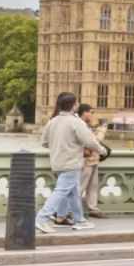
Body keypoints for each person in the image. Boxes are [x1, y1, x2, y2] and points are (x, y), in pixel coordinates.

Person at [35, 92, 104, 232]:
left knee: (73, 192)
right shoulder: (75, 122)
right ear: (73, 105)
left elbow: (44, 142)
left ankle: (79, 220)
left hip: (57, 162)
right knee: (60, 192)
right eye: (76, 103)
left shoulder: (52, 121)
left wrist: (60, 146)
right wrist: (102, 150)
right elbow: (89, 141)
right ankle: (42, 219)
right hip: (71, 163)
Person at [77, 103, 111, 219]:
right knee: (81, 187)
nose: (92, 115)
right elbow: (94, 142)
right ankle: (73, 211)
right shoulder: (80, 125)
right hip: (86, 161)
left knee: (93, 186)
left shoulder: (86, 125)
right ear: (85, 112)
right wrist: (102, 129)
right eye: (91, 113)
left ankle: (93, 208)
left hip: (93, 160)